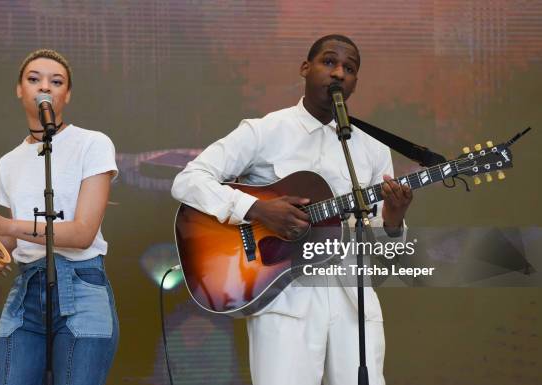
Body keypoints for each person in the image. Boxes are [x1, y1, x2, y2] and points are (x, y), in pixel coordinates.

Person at [171, 35, 413, 385]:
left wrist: (393, 220)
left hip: (353, 301)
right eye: (329, 62)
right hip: (283, 296)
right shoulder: (265, 130)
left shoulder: (373, 148)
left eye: (350, 68)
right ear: (305, 67)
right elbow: (189, 179)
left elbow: (383, 255)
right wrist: (257, 209)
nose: (339, 73)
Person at [0, 49, 119, 385]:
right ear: (20, 89)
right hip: (27, 288)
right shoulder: (8, 162)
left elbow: (82, 234)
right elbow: (12, 238)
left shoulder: (92, 144)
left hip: (82, 287)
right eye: (34, 79)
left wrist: (6, 225)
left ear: (67, 94)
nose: (44, 87)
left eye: (56, 81)